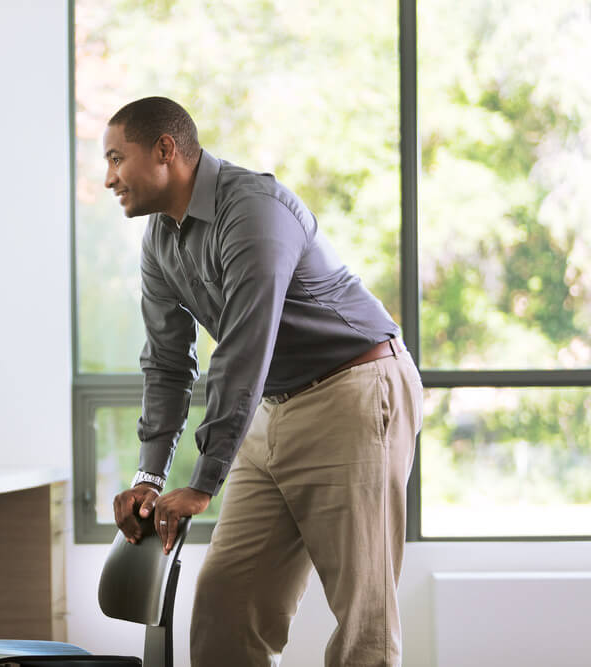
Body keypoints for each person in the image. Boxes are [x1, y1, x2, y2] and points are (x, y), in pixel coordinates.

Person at [105, 96, 424, 667]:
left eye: (115, 159)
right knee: (227, 609)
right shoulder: (159, 240)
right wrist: (149, 476)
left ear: (165, 150)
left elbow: (245, 348)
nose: (109, 179)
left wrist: (203, 482)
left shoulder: (252, 208)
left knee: (363, 621)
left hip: (351, 392)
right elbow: (168, 363)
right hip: (270, 409)